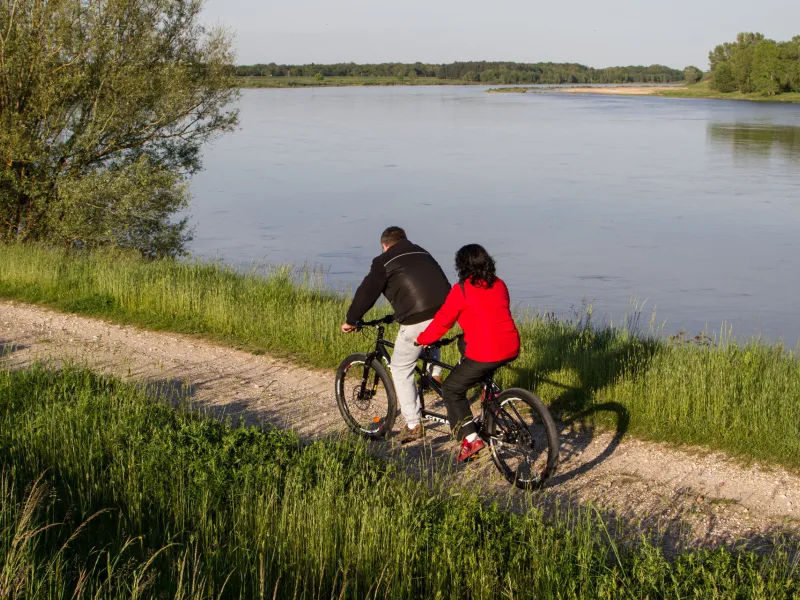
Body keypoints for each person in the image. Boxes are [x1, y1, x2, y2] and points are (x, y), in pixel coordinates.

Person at [342, 226, 450, 443]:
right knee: (429, 330)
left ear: (384, 245)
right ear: (404, 239)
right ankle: (433, 371)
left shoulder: (383, 261)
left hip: (417, 318)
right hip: (446, 310)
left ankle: (412, 424)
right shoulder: (421, 251)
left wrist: (352, 319)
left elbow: (367, 292)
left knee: (400, 368)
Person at [416, 244, 520, 462]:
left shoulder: (461, 289)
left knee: (452, 389)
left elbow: (444, 320)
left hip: (486, 351)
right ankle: (488, 393)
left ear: (461, 266)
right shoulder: (499, 284)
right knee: (463, 342)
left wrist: (423, 339)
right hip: (510, 345)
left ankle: (471, 439)